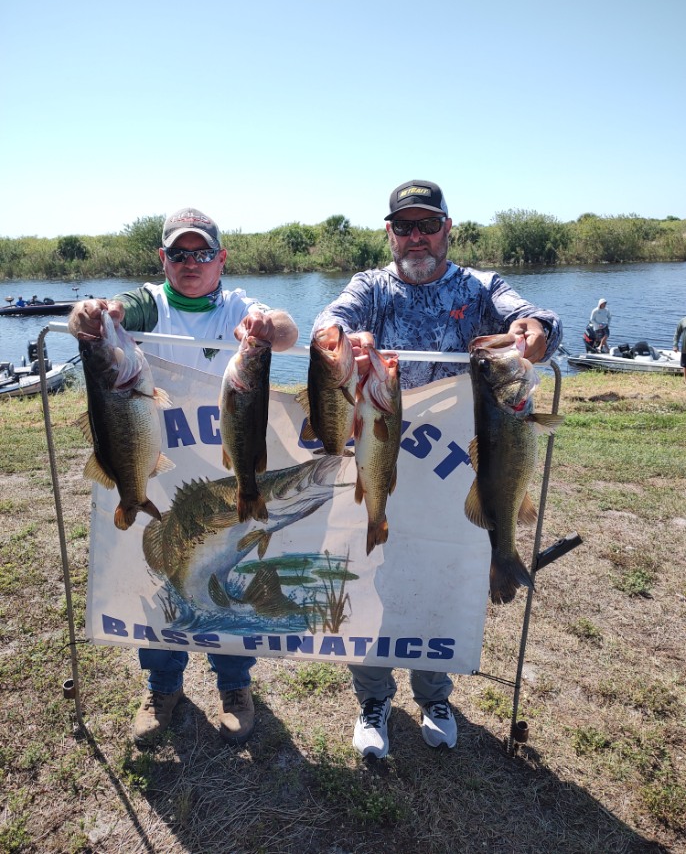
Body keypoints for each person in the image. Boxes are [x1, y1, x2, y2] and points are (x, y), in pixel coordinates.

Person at [312, 179, 562, 759]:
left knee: (443, 575)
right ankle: (373, 698)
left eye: (428, 225)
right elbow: (331, 318)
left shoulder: (481, 287)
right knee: (369, 577)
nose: (416, 237)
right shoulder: (371, 287)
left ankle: (434, 695)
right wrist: (341, 336)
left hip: (455, 470)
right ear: (390, 233)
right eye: (405, 227)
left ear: (447, 229)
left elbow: (535, 318)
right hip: (383, 459)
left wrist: (537, 331)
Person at [68, 207, 298, 747]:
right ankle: (162, 687)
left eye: (202, 253)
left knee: (225, 574)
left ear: (221, 258)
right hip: (161, 477)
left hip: (219, 479)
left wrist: (269, 329)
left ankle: (234, 687)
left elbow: (288, 331)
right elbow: (109, 311)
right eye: (178, 253)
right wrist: (90, 314)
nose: (190, 262)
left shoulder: (238, 307)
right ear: (163, 258)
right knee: (158, 579)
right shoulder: (148, 304)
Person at [673, 314, 686, 381]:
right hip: (685, 347)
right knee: (685, 365)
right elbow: (677, 333)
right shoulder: (683, 321)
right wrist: (675, 345)